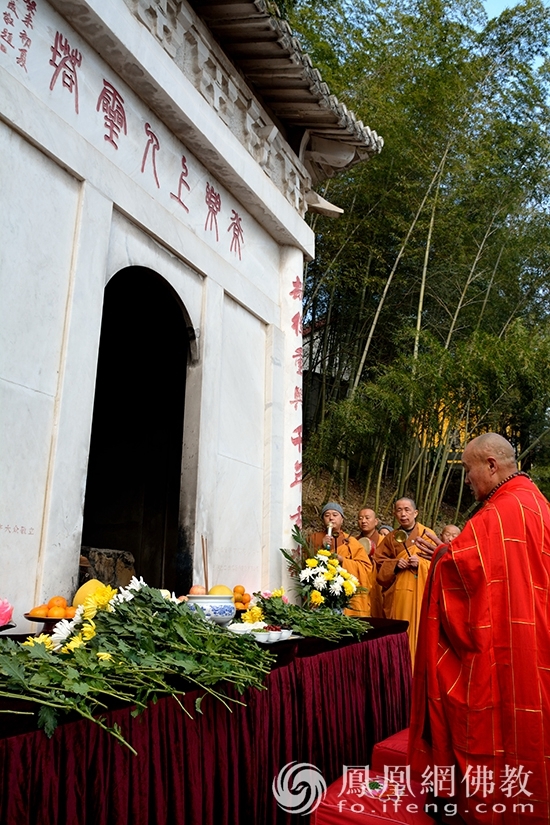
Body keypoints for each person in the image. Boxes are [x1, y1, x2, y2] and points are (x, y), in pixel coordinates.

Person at [409, 433, 550, 823]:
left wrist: (441, 557)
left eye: (468, 469)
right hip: (535, 645)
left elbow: (465, 572)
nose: (466, 479)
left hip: (501, 650)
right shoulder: (539, 505)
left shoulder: (496, 516)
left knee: (494, 728)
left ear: (490, 464)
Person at [374, 497, 436, 665]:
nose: (403, 514)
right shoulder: (390, 538)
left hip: (420, 595)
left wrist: (421, 563)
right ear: (394, 514)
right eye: (399, 510)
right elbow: (378, 563)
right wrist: (395, 564)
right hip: (398, 596)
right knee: (400, 636)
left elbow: (439, 564)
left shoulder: (427, 535)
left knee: (420, 635)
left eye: (407, 510)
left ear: (415, 513)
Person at [309, 502, 373, 617]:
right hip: (321, 591)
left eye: (335, 514)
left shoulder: (352, 542)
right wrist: (320, 547)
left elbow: (366, 568)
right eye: (327, 515)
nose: (331, 518)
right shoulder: (314, 538)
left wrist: (343, 560)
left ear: (342, 519)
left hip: (346, 593)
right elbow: (306, 564)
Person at [357, 507, 384, 617]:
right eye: (360, 518)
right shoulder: (353, 542)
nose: (363, 521)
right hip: (360, 588)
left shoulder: (385, 541)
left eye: (367, 518)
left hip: (379, 586)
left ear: (376, 521)